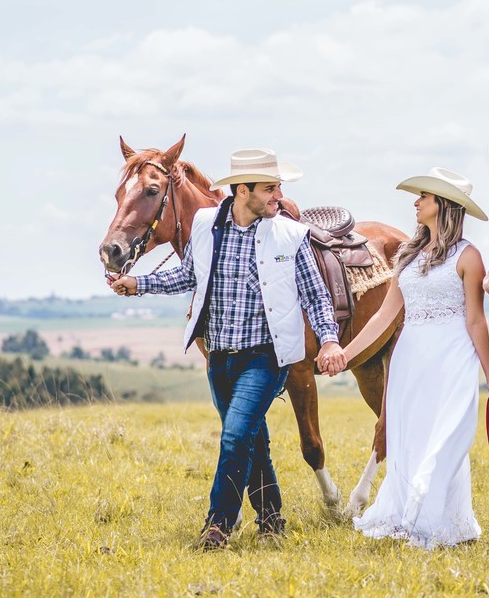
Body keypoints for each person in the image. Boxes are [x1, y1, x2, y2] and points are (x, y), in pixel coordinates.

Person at [108, 148, 345, 550]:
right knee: (253, 440)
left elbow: (316, 295)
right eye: (269, 188)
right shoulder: (205, 224)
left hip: (265, 358)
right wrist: (140, 283)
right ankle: (271, 518)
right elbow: (187, 276)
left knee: (235, 437)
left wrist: (329, 338)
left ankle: (218, 526)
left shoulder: (290, 235)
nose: (278, 196)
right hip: (219, 359)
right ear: (242, 191)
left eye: (278, 187)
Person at [323, 167, 489, 549]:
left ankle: (429, 516)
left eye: (424, 197)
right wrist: (345, 355)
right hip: (410, 358)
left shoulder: (469, 257)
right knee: (410, 436)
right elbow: (384, 316)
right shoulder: (407, 255)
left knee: (446, 436)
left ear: (444, 206)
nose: (416, 203)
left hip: (452, 355)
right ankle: (419, 514)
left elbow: (476, 319)